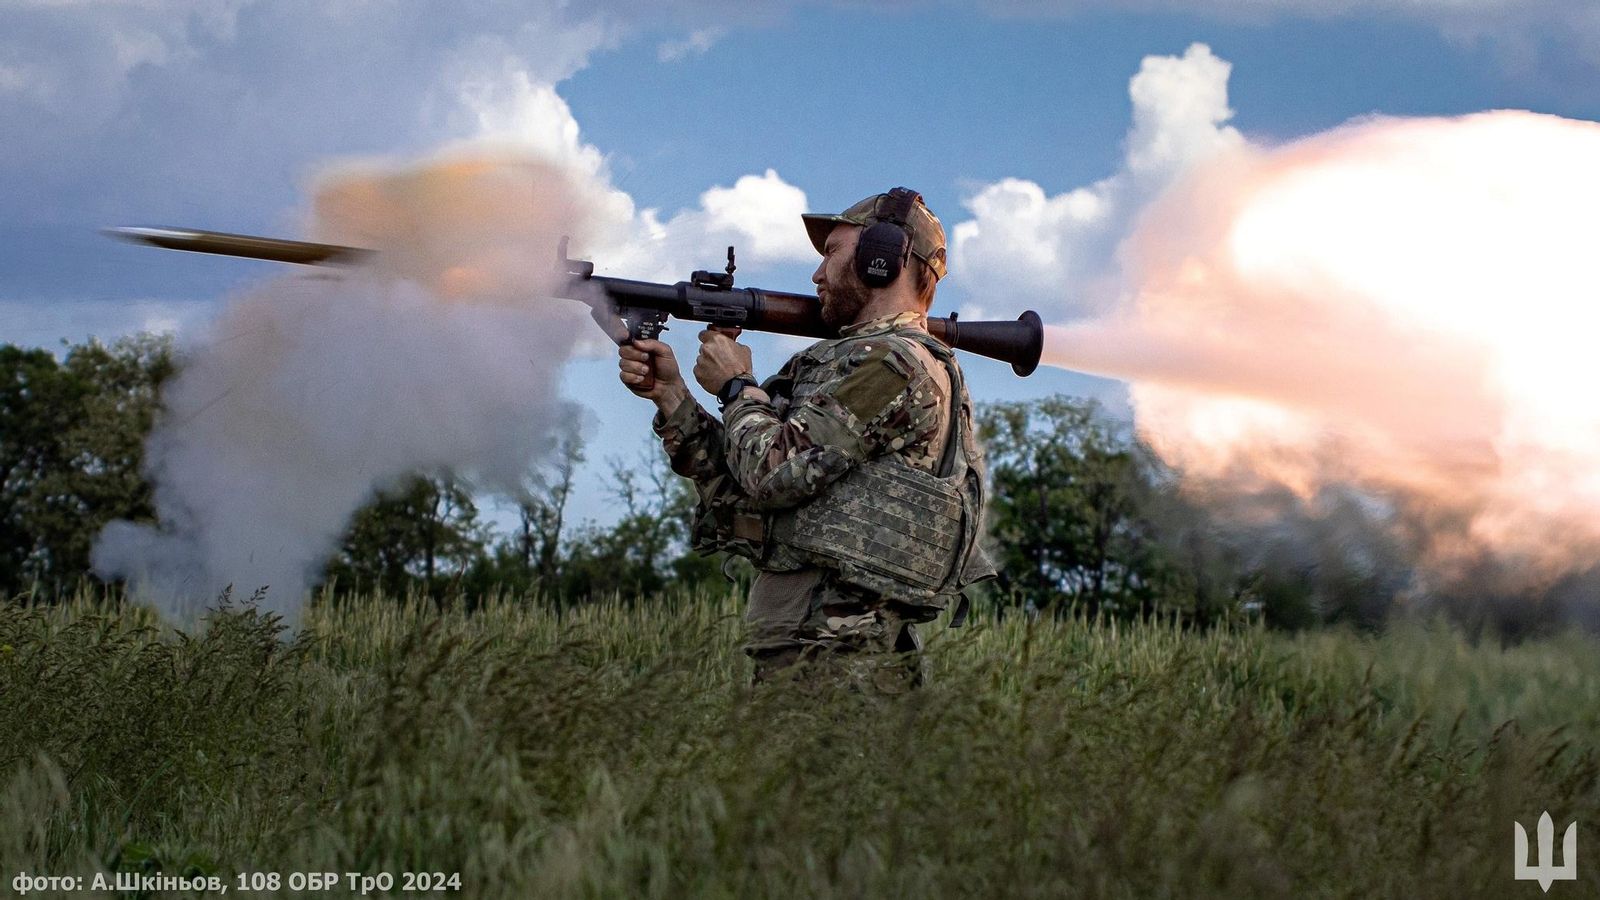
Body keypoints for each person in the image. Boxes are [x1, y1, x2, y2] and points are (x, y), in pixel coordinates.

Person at [617, 187, 994, 692]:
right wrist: (671, 395)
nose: (817, 274)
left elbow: (774, 474)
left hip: (836, 657)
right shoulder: (846, 361)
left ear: (881, 258)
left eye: (832, 254)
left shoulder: (893, 365)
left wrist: (735, 388)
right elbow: (743, 481)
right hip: (812, 645)